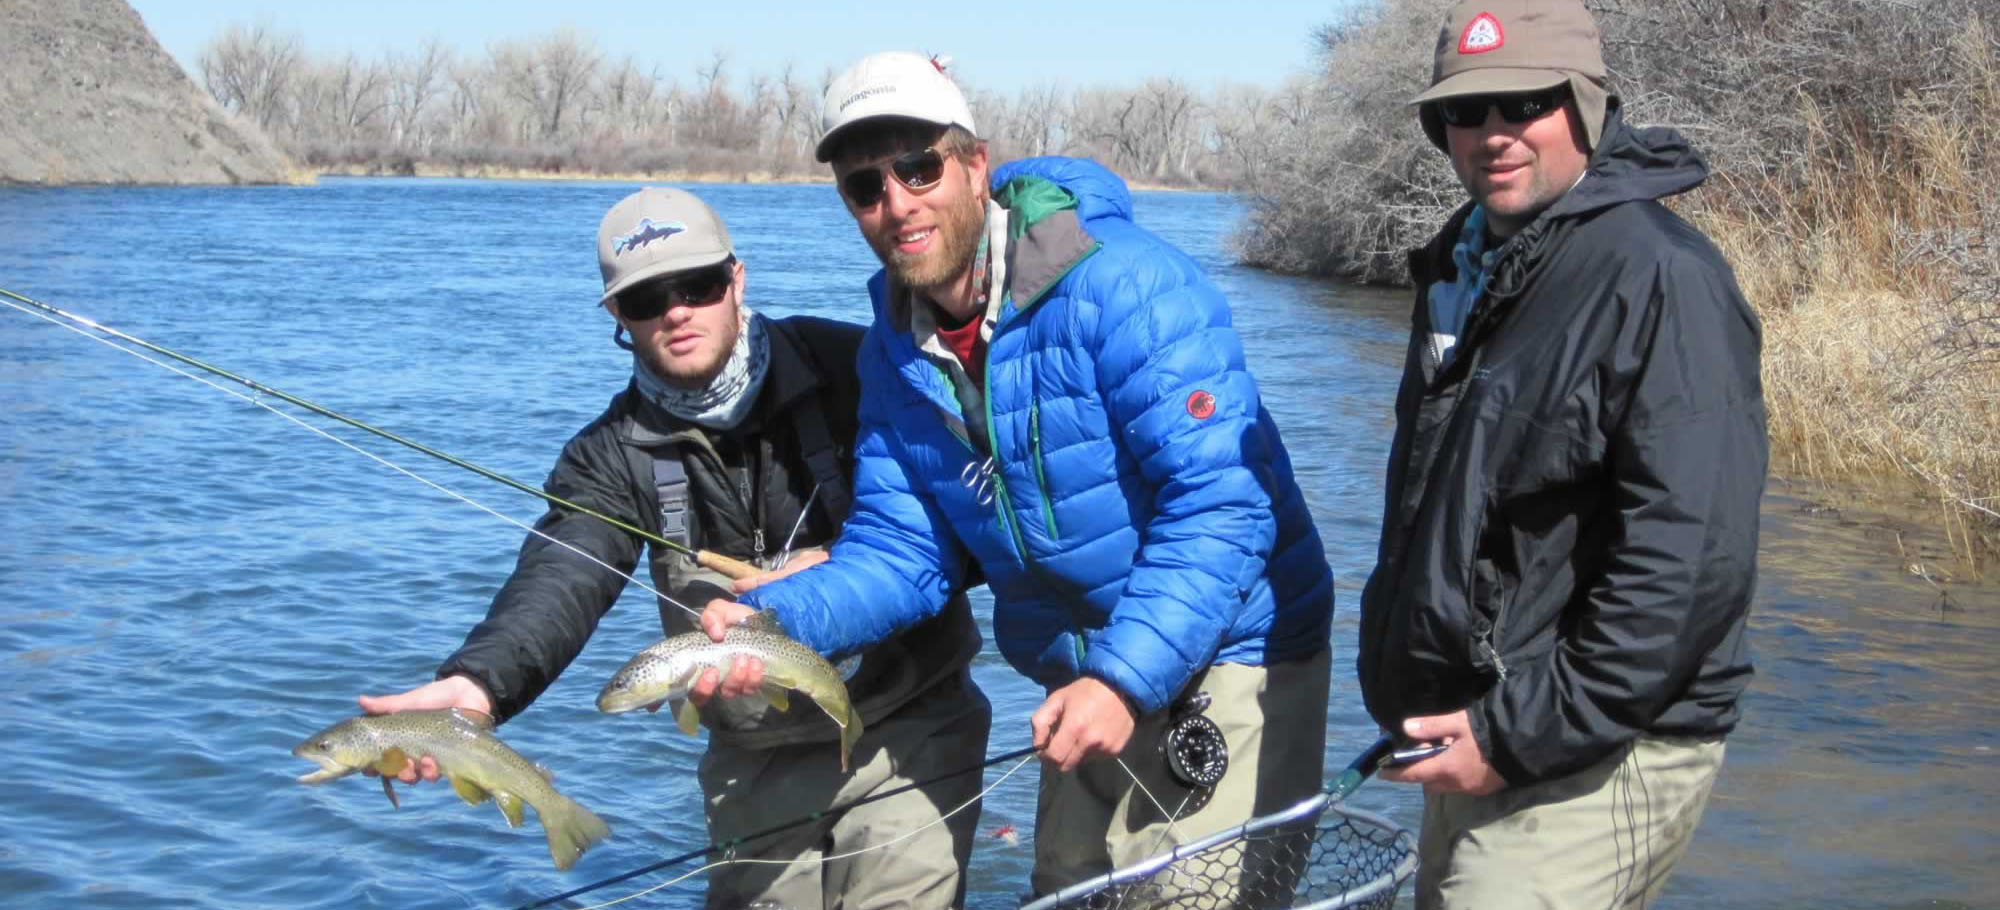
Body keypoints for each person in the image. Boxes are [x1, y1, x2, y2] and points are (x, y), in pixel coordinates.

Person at [694, 51, 1336, 898]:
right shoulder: (893, 349)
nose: (898, 203)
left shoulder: (1128, 286)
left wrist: (1122, 678)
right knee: (1067, 889)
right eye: (864, 187)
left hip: (1232, 653)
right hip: (1080, 676)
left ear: (975, 165)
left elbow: (1224, 506)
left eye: (919, 167)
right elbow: (902, 552)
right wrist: (772, 620)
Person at [357, 186, 991, 910]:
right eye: (646, 299)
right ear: (617, 320)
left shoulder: (856, 366)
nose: (677, 310)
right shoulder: (607, 457)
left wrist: (843, 573)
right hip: (753, 759)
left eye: (698, 284)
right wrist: (478, 689)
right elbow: (561, 575)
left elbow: (974, 523)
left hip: (910, 725)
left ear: (738, 279)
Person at [1356, 1, 1769, 907]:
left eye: (1527, 103)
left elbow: (1687, 568)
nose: (1495, 134)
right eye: (1467, 112)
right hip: (1474, 733)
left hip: (1604, 743)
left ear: (1584, 106)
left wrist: (1514, 736)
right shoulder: (1462, 273)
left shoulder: (1663, 278)